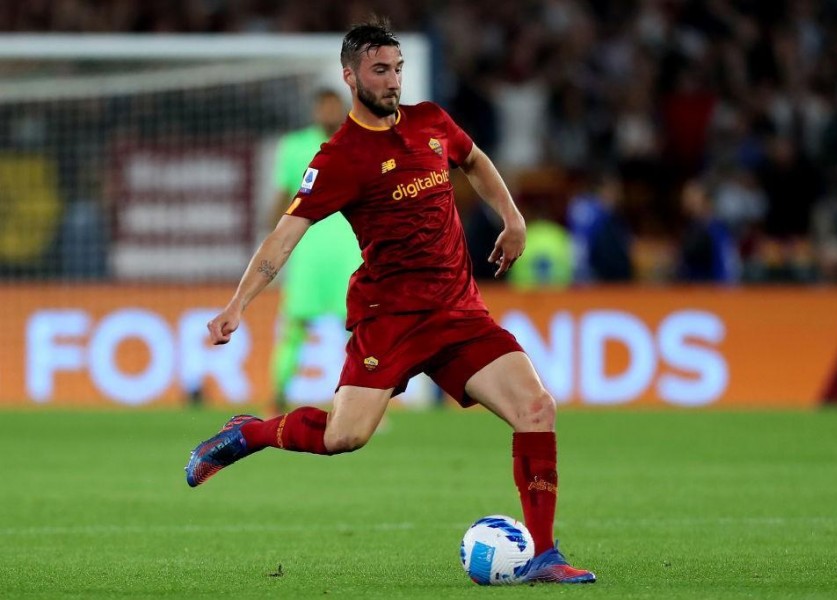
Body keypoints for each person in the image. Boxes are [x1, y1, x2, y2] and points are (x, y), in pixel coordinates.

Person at [185, 18, 595, 585]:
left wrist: (513, 216)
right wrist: (238, 305)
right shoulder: (339, 158)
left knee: (536, 409)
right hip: (390, 320)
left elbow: (473, 160)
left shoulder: (431, 122)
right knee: (343, 437)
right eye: (380, 71)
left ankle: (545, 554)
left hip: (458, 312)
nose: (393, 81)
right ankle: (249, 432)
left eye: (397, 69)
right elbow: (283, 236)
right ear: (350, 76)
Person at [268, 89, 361, 414]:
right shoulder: (293, 147)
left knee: (359, 331)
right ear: (315, 110)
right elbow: (283, 197)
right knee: (294, 327)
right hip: (307, 252)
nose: (329, 112)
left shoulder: (359, 144)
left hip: (349, 249)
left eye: (334, 106)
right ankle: (277, 398)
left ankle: (363, 405)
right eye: (323, 106)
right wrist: (274, 239)